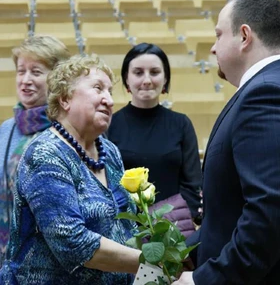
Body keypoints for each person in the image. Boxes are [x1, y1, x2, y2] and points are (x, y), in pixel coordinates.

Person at [172, 0, 280, 285]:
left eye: (218, 35)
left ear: (244, 36)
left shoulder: (267, 94)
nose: (213, 48)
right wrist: (184, 249)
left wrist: (204, 280)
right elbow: (233, 207)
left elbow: (270, 215)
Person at [0, 54, 141, 284]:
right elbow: (73, 244)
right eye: (98, 88)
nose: (109, 101)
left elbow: (127, 224)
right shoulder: (45, 154)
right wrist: (150, 259)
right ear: (65, 99)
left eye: (110, 92)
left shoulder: (109, 150)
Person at [107, 43, 202, 223]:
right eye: (138, 72)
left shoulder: (181, 124)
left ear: (165, 78)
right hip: (125, 228)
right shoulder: (109, 125)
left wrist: (169, 223)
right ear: (126, 78)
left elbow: (192, 184)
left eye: (155, 72)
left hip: (173, 228)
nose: (147, 80)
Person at [0, 35, 71, 265]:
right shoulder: (6, 129)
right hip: (7, 258)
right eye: (21, 71)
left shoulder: (70, 128)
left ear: (57, 78)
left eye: (36, 72)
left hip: (52, 263)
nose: (26, 80)